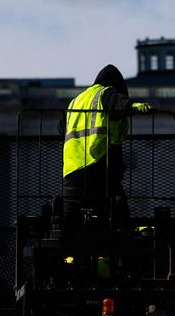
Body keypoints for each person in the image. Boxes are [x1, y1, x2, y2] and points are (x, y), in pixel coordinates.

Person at [62, 65, 148, 219]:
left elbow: (61, 127)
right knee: (118, 214)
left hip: (72, 171)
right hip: (98, 166)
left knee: (71, 221)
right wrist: (133, 106)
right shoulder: (107, 93)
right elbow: (118, 103)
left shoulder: (75, 101)